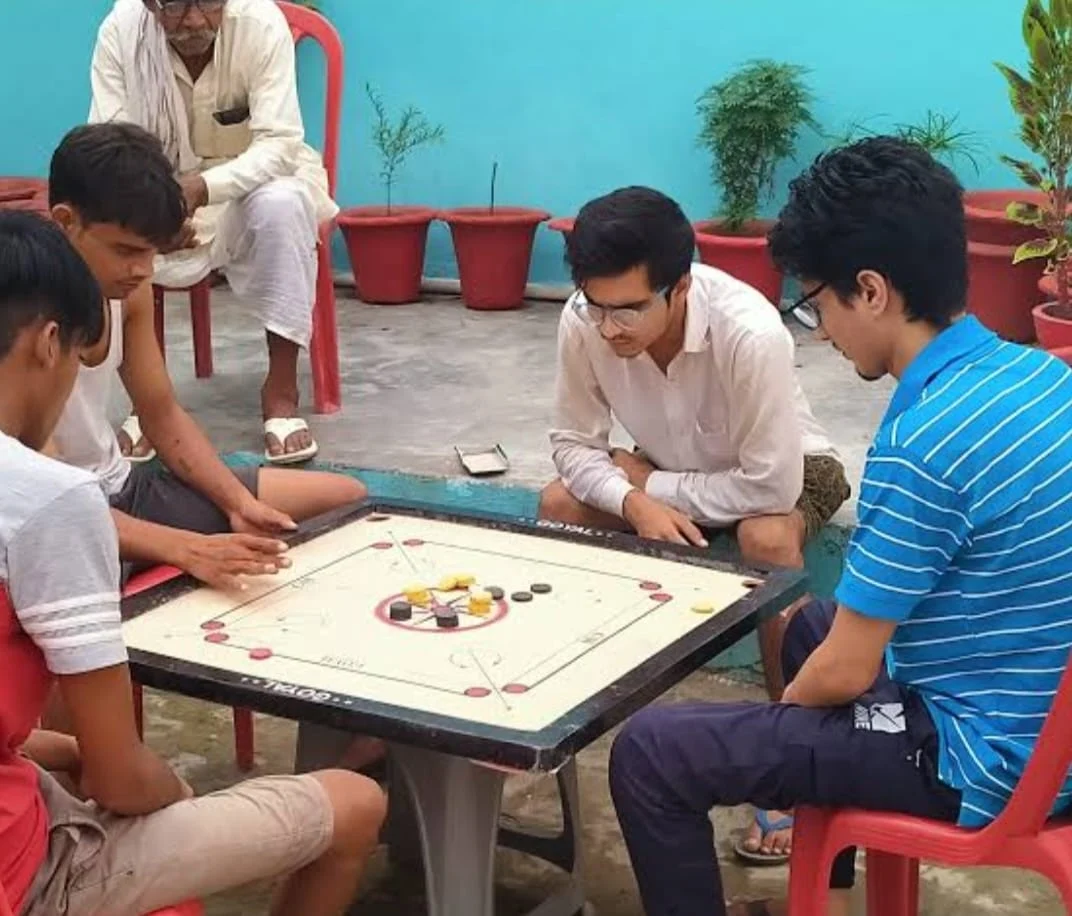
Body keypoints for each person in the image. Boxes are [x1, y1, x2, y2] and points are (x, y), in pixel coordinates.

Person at [607, 137, 1072, 916]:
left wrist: (777, 740)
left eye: (818, 303)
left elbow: (849, 674)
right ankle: (823, 881)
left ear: (871, 290)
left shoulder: (924, 442)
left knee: (653, 752)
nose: (821, 331)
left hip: (982, 762)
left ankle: (809, 819)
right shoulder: (1041, 373)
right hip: (1042, 720)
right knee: (807, 628)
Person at [0, 210, 386, 916]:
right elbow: (120, 781)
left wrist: (56, 750)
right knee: (355, 805)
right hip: (21, 874)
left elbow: (166, 413)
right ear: (48, 345)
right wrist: (172, 793)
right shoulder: (45, 499)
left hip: (23, 785)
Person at [539, 185, 850, 860]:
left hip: (793, 467)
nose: (608, 327)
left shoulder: (750, 329)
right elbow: (572, 444)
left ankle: (787, 768)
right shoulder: (583, 319)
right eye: (596, 306)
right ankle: (551, 717)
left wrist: (652, 484)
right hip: (662, 472)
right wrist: (634, 501)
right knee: (559, 502)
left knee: (766, 536)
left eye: (628, 310)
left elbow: (772, 482)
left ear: (680, 287)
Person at [47, 121, 366, 594]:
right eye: (126, 251)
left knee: (345, 498)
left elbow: (162, 413)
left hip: (123, 491)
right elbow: (48, 501)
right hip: (65, 522)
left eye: (151, 253)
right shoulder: (25, 313)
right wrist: (185, 548)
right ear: (66, 223)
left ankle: (156, 568)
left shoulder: (126, 292)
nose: (143, 270)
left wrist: (236, 502)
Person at [88, 0, 338, 464]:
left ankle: (281, 393)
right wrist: (157, 209)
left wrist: (202, 189)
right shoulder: (121, 33)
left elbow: (280, 145)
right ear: (148, 3)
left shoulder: (260, 23)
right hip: (160, 187)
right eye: (179, 6)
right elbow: (111, 142)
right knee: (106, 217)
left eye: (209, 2)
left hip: (249, 186)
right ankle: (148, 402)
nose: (196, 20)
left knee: (285, 204)